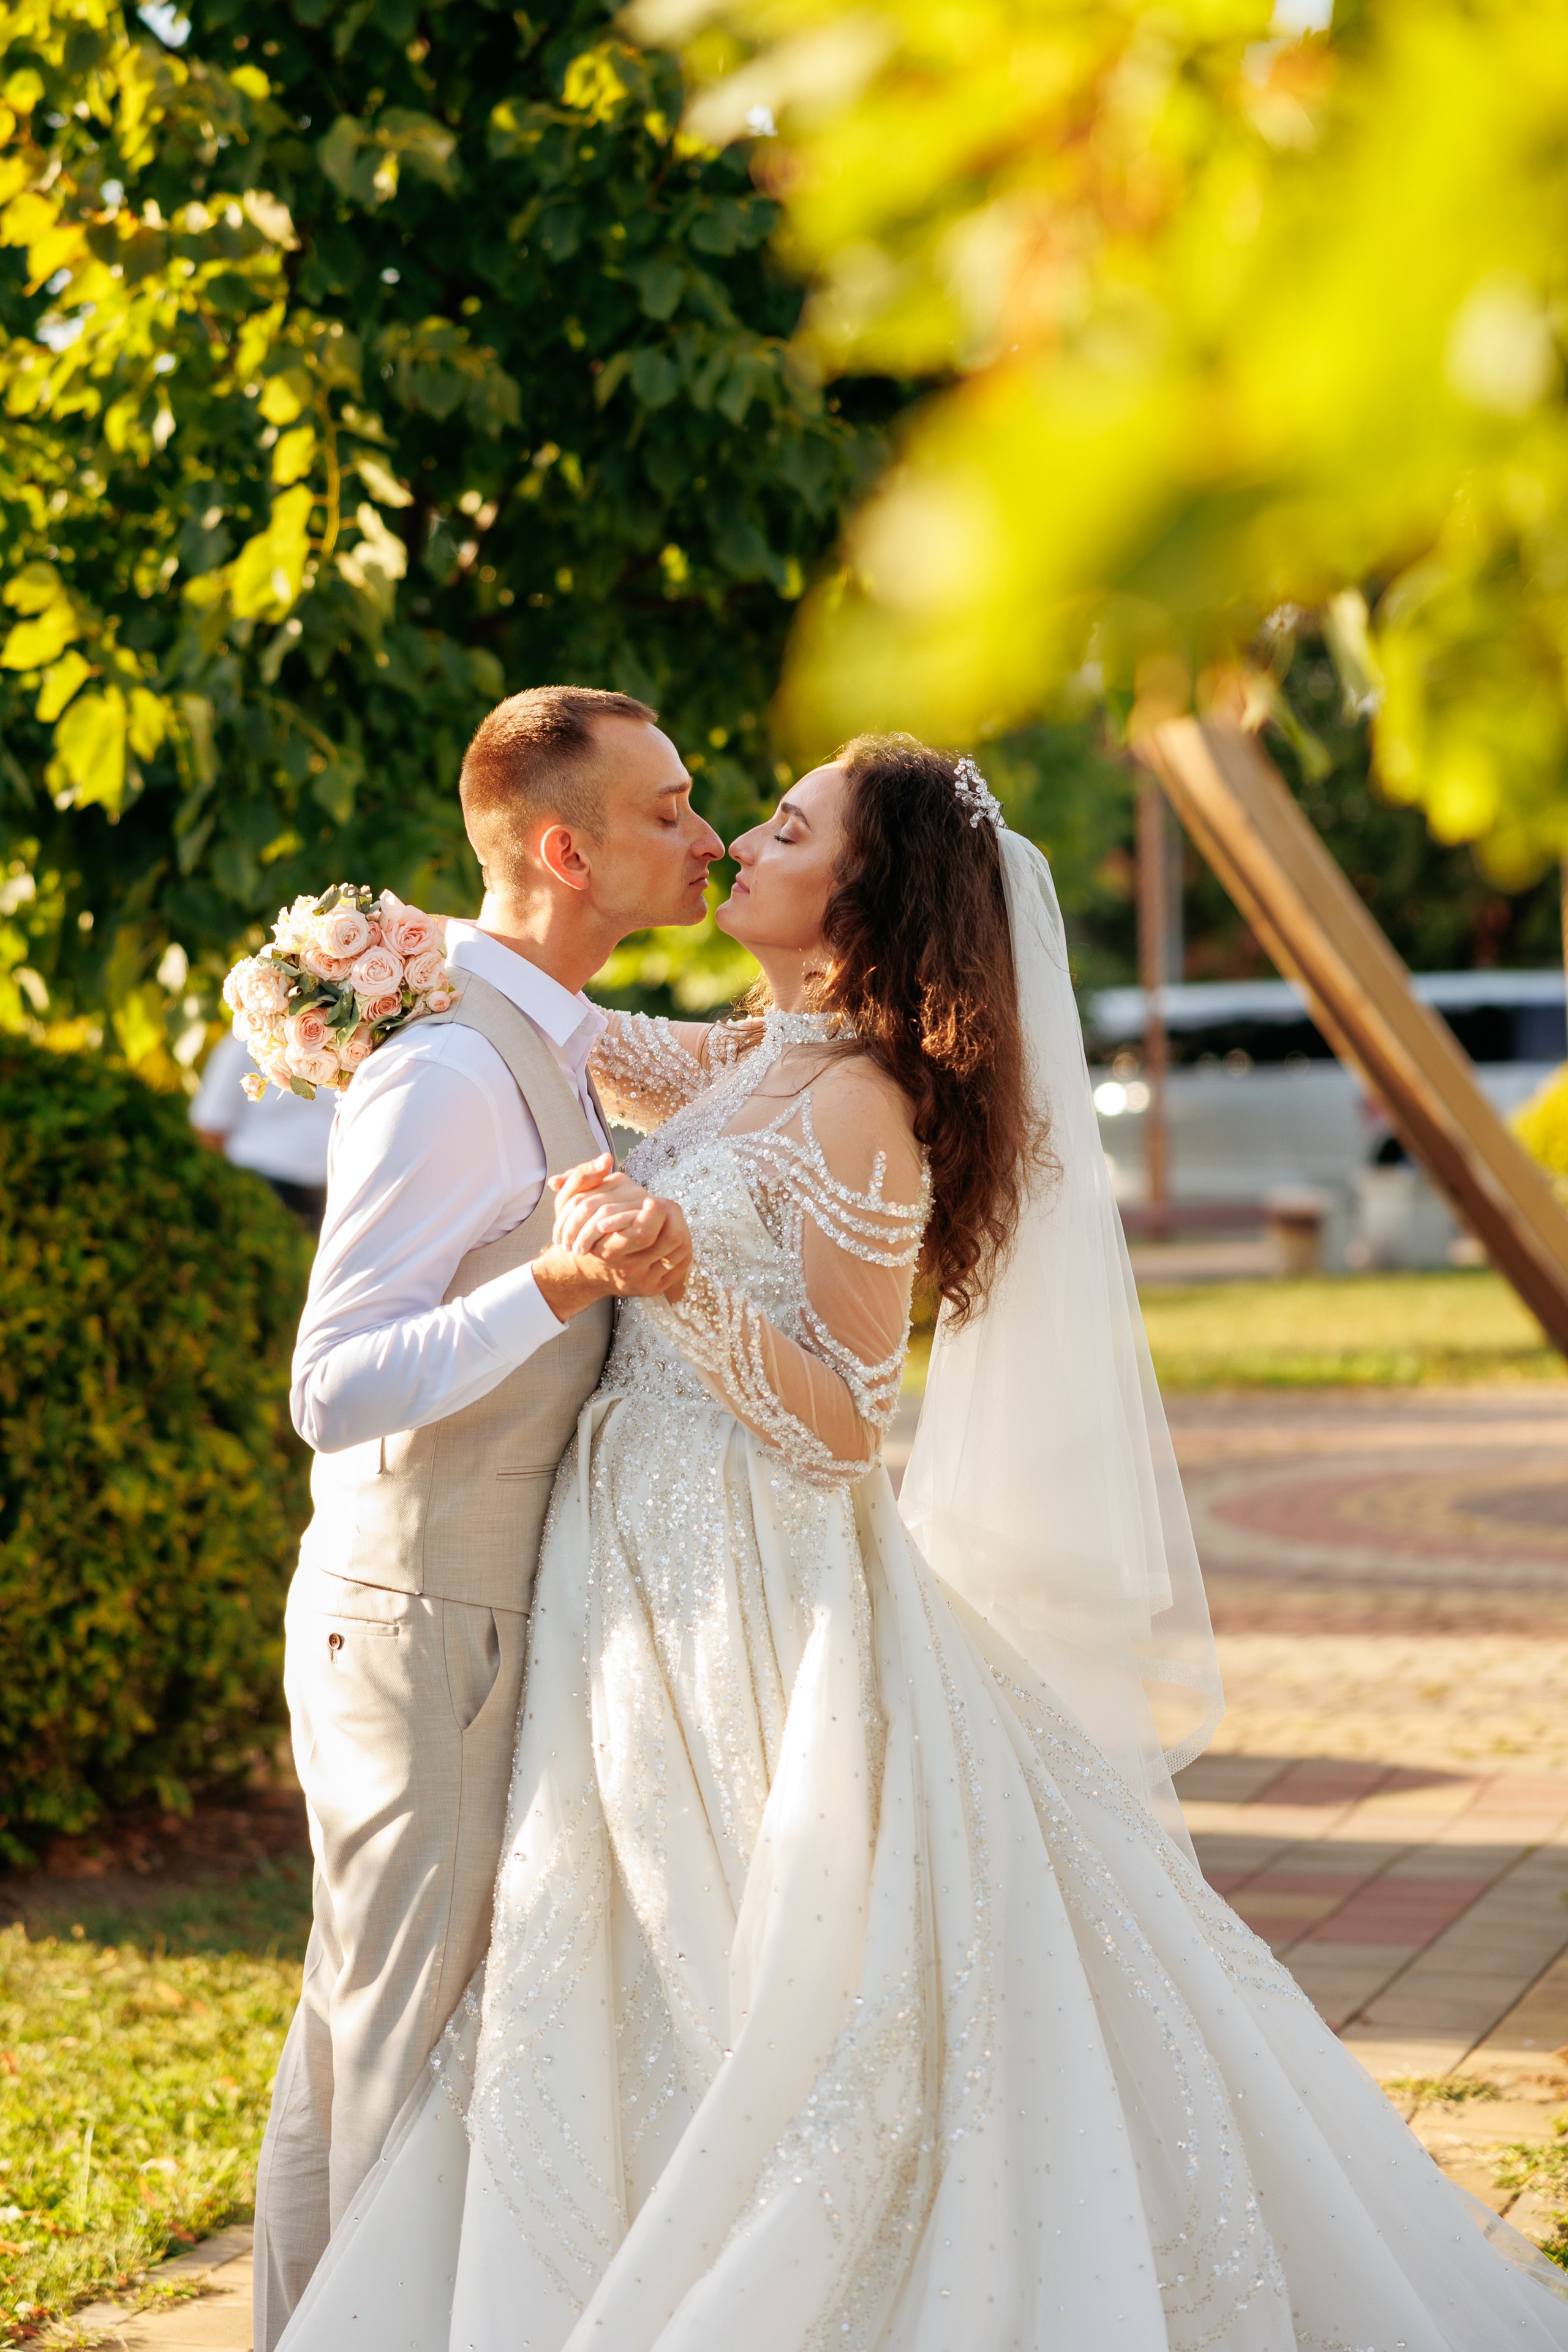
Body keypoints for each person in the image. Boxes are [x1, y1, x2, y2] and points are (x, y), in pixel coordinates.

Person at [276, 736, 1568, 2351]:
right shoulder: (741, 1057)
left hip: (760, 1584)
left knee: (778, 1973)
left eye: (788, 825)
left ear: (862, 892)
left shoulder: (870, 1107)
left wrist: (678, 1282)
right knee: (611, 1955)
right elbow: (549, 1009)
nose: (743, 838)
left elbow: (842, 1424)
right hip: (628, 1565)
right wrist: (371, 958)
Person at [252, 685, 720, 2352]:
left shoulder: (558, 1044)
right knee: (384, 2033)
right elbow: (334, 1385)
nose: (708, 835)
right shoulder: (449, 1071)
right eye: (670, 811)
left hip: (481, 1614)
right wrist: (552, 1279)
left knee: (404, 2025)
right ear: (564, 847)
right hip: (414, 1618)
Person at [189, 1029, 338, 1231]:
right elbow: (209, 1128)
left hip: (326, 1196)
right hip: (257, 1186)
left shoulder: (343, 1045)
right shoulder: (243, 1044)